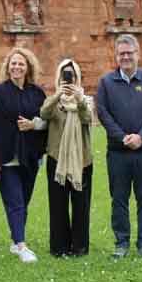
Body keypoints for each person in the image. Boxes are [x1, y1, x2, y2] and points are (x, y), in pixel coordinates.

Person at [95, 34, 142, 259]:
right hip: (118, 152)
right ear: (116, 56)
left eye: (129, 53)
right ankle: (121, 242)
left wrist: (141, 137)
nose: (125, 57)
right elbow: (103, 113)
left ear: (138, 54)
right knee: (119, 199)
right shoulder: (106, 82)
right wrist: (123, 137)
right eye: (121, 53)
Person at [0, 47, 48, 263]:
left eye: (21, 63)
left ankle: (15, 240)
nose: (17, 67)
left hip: (30, 155)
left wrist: (33, 124)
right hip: (7, 157)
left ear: (28, 67)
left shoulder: (37, 93)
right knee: (15, 201)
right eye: (13, 63)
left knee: (24, 200)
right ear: (7, 66)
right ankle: (21, 246)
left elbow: (47, 120)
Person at [40, 58, 94, 257]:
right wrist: (57, 95)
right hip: (57, 159)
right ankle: (59, 247)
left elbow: (87, 118)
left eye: (72, 75)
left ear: (78, 78)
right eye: (65, 75)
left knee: (81, 205)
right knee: (58, 205)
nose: (68, 79)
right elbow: (44, 113)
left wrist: (79, 99)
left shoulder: (86, 100)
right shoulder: (54, 100)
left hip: (82, 160)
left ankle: (80, 247)